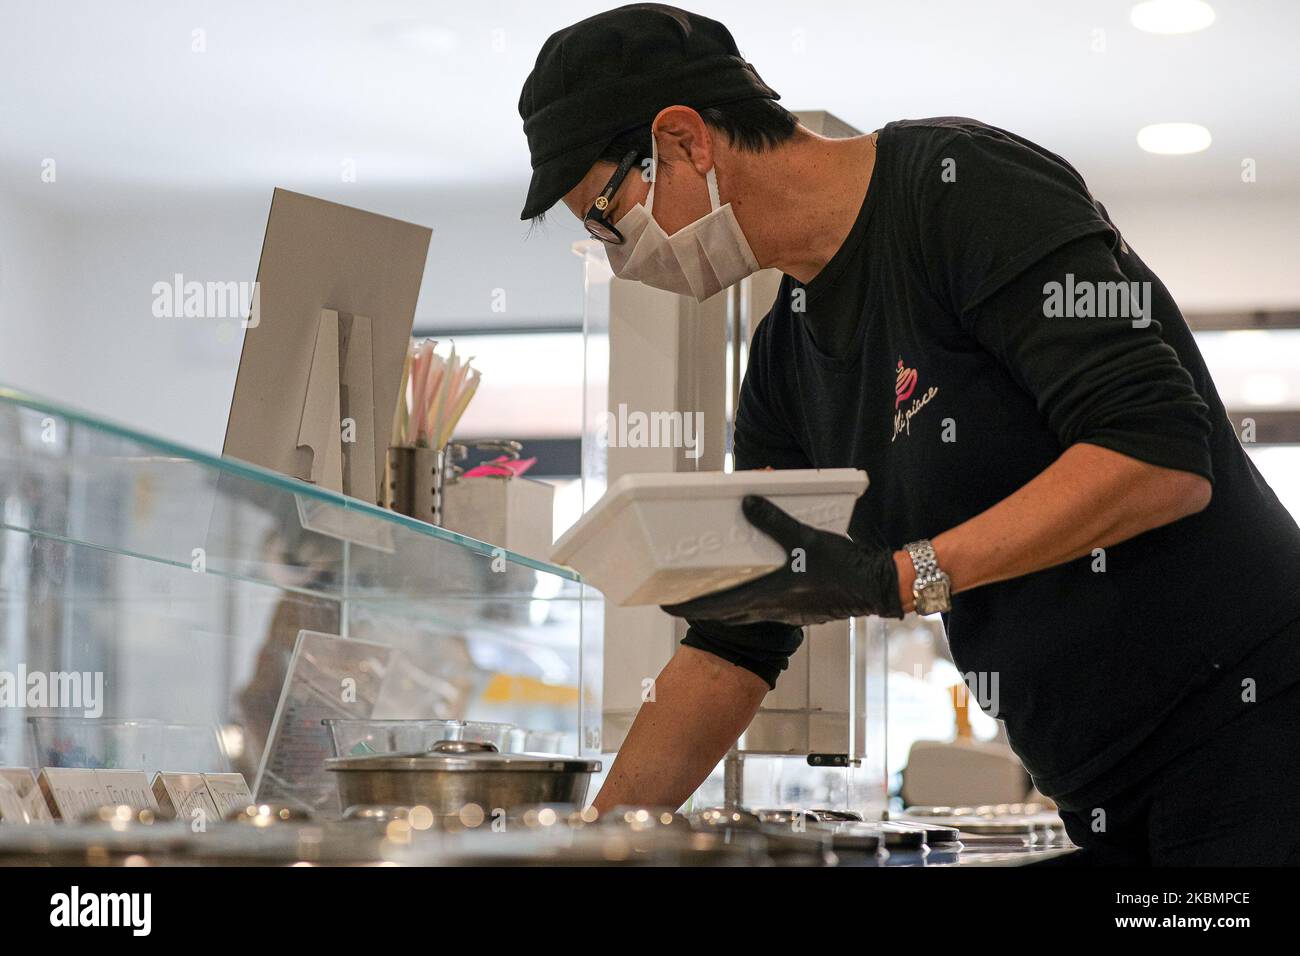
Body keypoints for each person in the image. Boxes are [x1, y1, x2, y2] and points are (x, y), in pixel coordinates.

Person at [518, 4, 1300, 864]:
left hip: (1255, 731)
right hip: (1101, 788)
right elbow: (738, 640)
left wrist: (900, 576)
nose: (617, 251)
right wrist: (593, 846)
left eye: (604, 213)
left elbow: (1157, 454)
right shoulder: (787, 362)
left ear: (683, 141)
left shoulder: (961, 191)